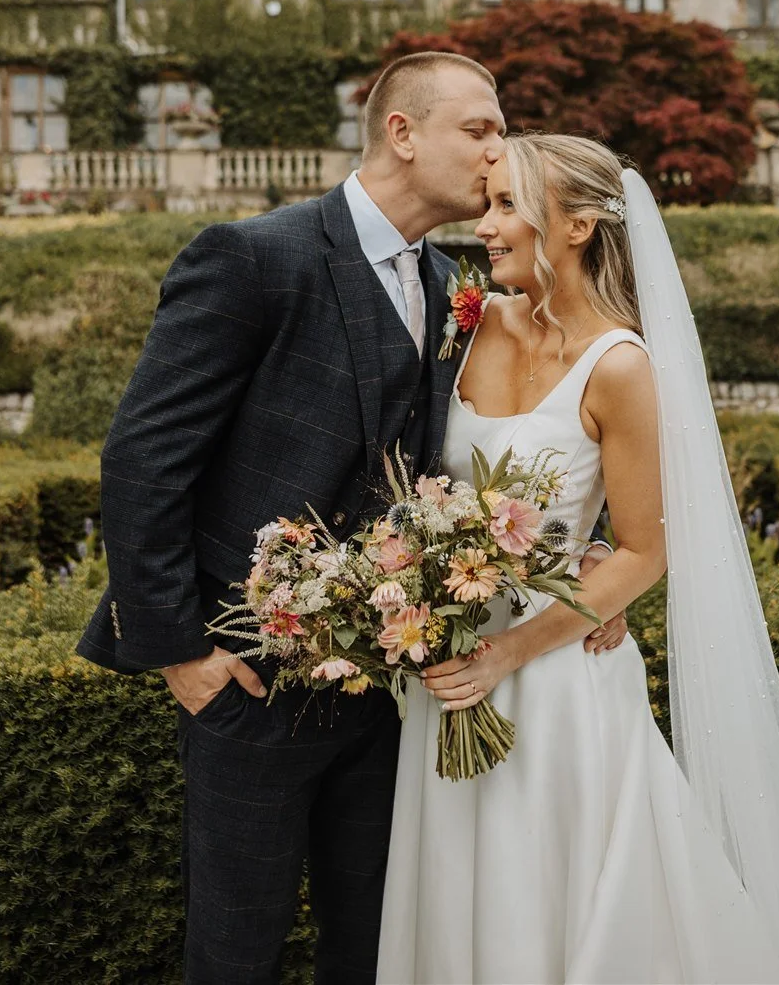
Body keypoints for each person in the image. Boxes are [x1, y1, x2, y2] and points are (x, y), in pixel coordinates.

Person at [75, 55, 627, 985]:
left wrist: (592, 552)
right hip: (246, 677)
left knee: (378, 946)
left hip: (394, 691)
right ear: (403, 135)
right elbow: (143, 459)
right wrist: (179, 651)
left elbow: (535, 428)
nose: (500, 151)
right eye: (481, 129)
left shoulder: (461, 281)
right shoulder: (253, 256)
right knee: (235, 953)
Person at [378, 133, 779, 984]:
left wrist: (511, 652)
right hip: (449, 665)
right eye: (486, 202)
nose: (483, 226)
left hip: (560, 679)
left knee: (557, 893)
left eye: (505, 205)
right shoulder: (470, 321)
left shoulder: (621, 364)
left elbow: (646, 546)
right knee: (456, 884)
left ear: (577, 227)